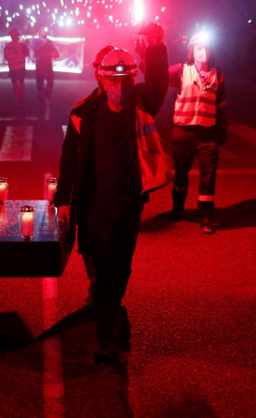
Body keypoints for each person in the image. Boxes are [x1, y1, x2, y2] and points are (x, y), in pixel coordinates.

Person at [54, 39, 170, 365]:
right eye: (113, 80)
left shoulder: (141, 103)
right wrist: (63, 200)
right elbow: (69, 163)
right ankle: (108, 339)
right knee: (103, 271)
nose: (119, 87)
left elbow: (159, 81)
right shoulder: (83, 112)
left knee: (120, 268)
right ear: (100, 79)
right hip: (93, 208)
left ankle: (115, 315)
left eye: (125, 80)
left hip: (129, 205)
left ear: (133, 80)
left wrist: (156, 46)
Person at [167, 31, 226, 234]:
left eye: (206, 48)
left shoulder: (217, 74)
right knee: (181, 173)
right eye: (198, 48)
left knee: (208, 177)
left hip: (207, 135)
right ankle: (177, 210)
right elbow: (157, 78)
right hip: (183, 131)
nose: (203, 52)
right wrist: (149, 52)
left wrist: (221, 131)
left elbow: (221, 105)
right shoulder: (181, 70)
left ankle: (206, 216)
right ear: (191, 51)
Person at [4, 28, 30, 108]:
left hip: (12, 68)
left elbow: (6, 57)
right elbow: (27, 54)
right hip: (21, 67)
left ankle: (19, 99)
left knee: (15, 84)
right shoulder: (22, 45)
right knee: (21, 83)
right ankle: (22, 98)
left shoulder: (7, 46)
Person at [32, 29, 59, 102]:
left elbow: (53, 50)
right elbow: (35, 49)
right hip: (40, 63)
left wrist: (56, 53)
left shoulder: (49, 41)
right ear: (40, 33)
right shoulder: (36, 41)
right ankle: (40, 95)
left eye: (45, 31)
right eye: (42, 31)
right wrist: (44, 43)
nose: (44, 32)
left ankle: (47, 92)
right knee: (40, 80)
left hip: (48, 63)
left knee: (50, 80)